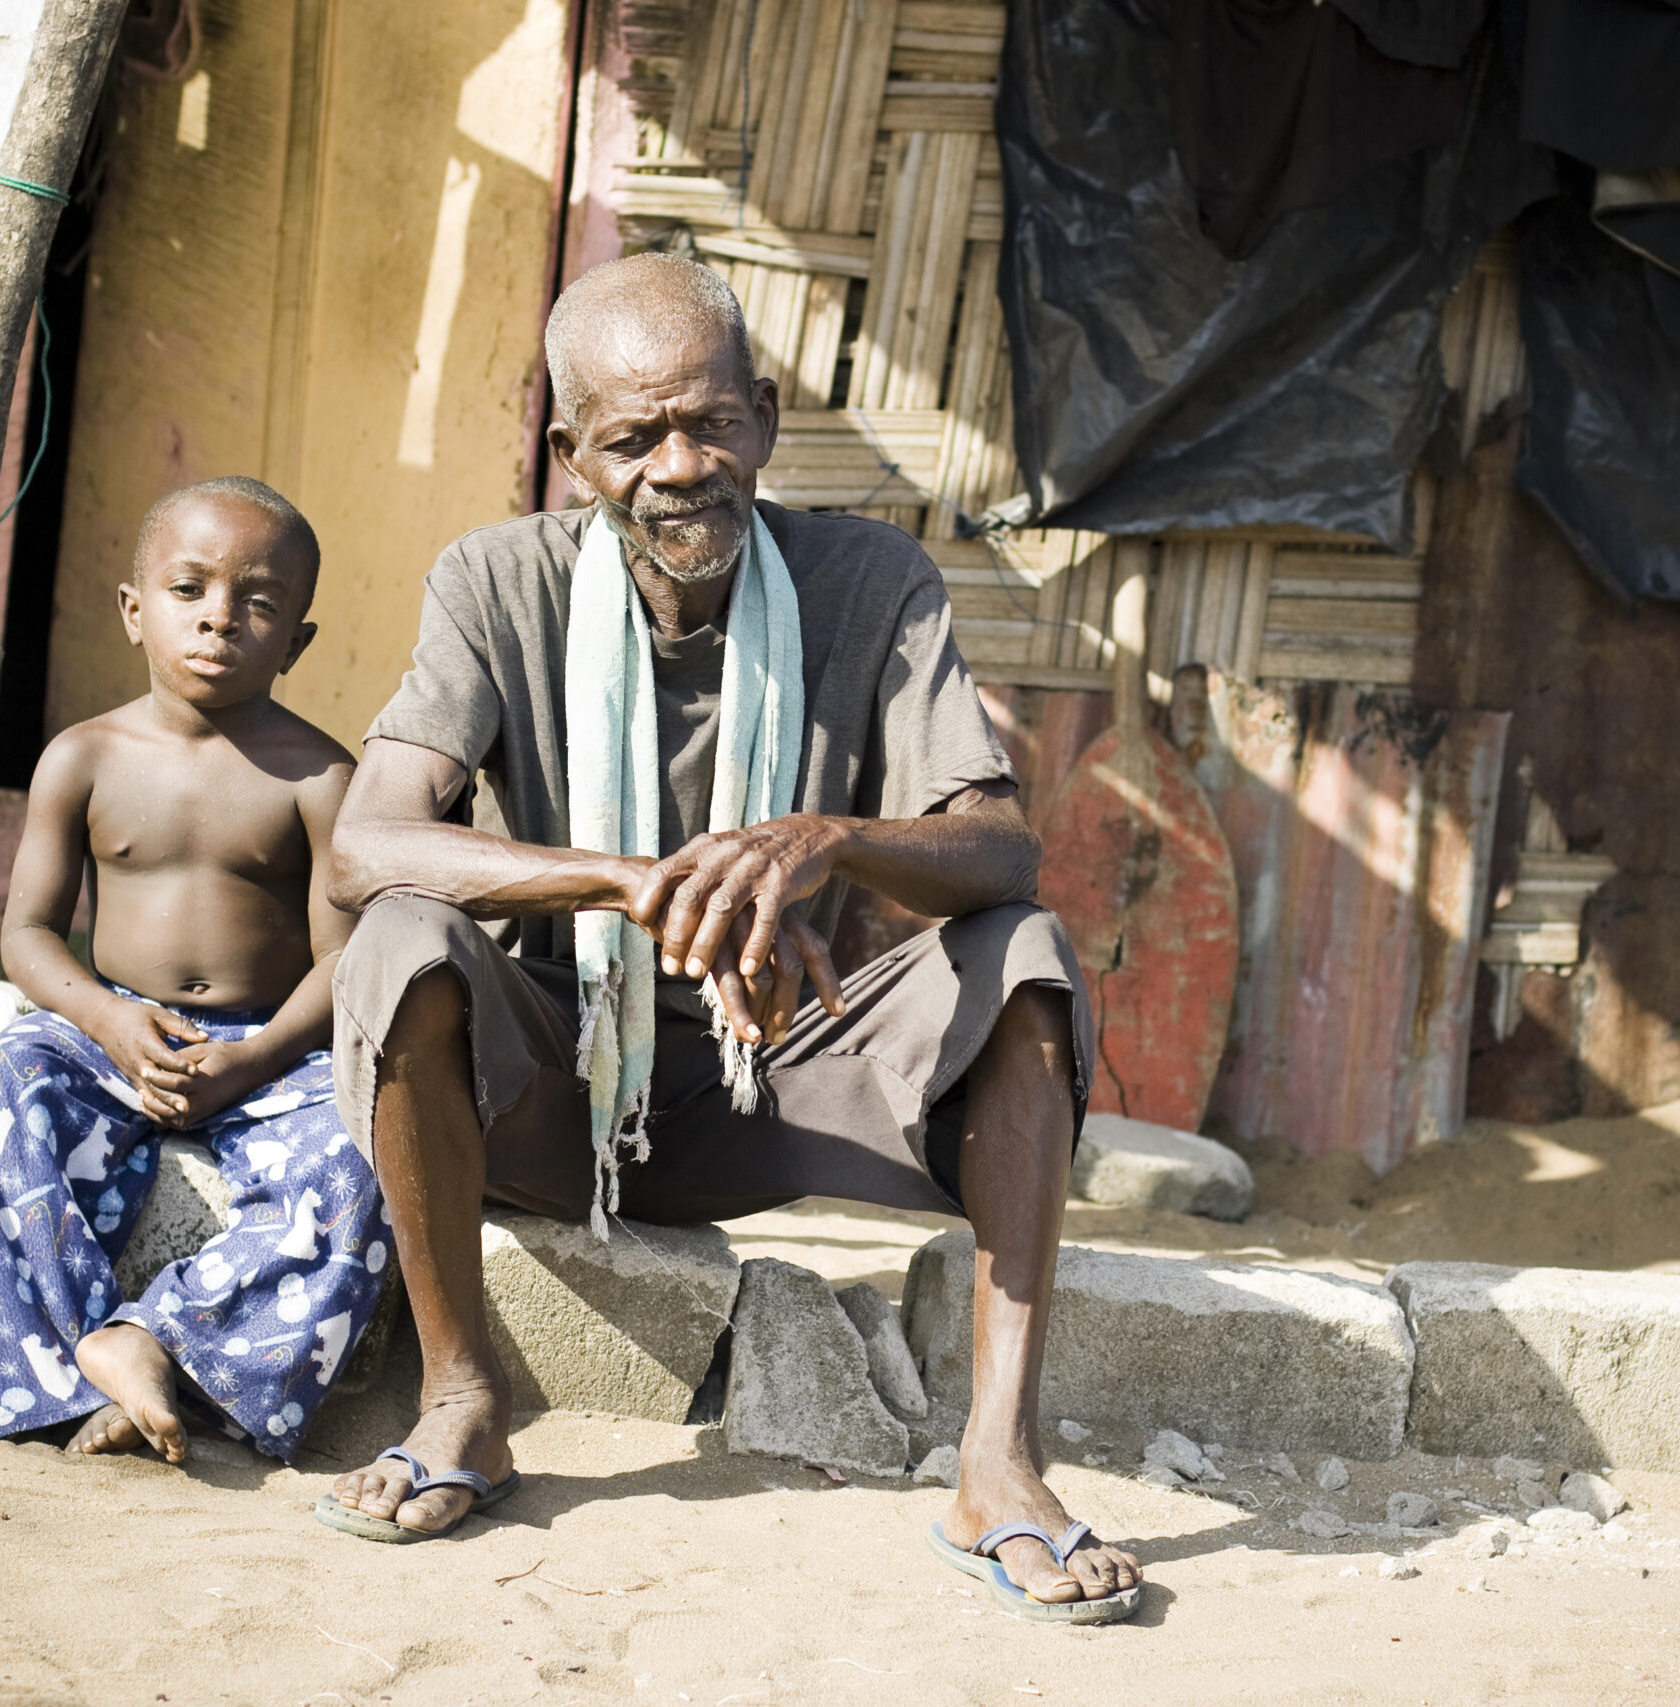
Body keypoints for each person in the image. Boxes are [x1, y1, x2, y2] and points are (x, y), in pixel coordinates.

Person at [315, 253, 1144, 1620]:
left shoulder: (871, 575)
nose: (680, 465)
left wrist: (833, 836)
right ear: (573, 452)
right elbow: (369, 840)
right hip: (560, 1086)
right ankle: (465, 1392)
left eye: (711, 421)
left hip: (785, 1066)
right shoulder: (493, 579)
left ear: (765, 415)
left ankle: (1000, 1457)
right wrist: (628, 879)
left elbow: (1000, 844)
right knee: (403, 938)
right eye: (634, 437)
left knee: (1028, 955)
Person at [0, 476, 384, 1466]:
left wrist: (257, 1058)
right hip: (116, 1029)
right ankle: (80, 1360)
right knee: (0, 1082)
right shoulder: (84, 757)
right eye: (188, 589)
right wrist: (108, 1022)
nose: (219, 618)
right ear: (134, 608)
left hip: (272, 1046)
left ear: (299, 641)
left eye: (260, 602)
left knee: (363, 1146)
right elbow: (27, 936)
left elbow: (346, 961)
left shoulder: (318, 778)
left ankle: (168, 1344)